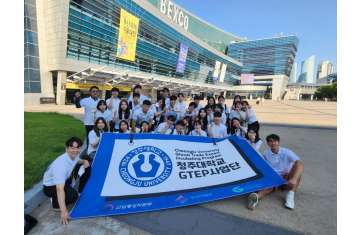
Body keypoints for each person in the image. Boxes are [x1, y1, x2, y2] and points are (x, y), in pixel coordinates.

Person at [247, 134, 304, 210]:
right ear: (268, 143)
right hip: (275, 178)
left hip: (287, 177)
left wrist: (294, 178)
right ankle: (256, 198)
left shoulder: (287, 152)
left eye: (275, 141)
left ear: (279, 142)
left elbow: (300, 163)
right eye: (270, 141)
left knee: (298, 170)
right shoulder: (266, 153)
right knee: (269, 185)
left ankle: (290, 195)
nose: (273, 143)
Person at [42, 137, 91, 225]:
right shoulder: (61, 165)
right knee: (73, 196)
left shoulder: (74, 155)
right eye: (72, 148)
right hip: (50, 188)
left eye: (77, 148)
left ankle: (80, 190)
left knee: (87, 163)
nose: (75, 150)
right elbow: (59, 189)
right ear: (67, 149)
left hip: (63, 180)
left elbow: (78, 161)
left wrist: (84, 161)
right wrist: (64, 211)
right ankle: (55, 203)